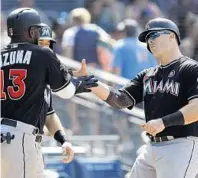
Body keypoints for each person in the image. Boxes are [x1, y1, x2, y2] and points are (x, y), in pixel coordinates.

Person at [82, 17, 198, 178]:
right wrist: (92, 84)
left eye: (154, 35)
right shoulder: (148, 75)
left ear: (172, 36)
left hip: (180, 145)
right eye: (147, 38)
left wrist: (163, 122)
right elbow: (120, 100)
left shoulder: (190, 69)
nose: (149, 41)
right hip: (151, 147)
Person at [0, 8, 98, 178]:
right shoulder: (42, 55)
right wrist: (80, 84)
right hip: (19, 139)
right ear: (32, 32)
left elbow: (49, 115)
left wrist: (63, 140)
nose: (45, 44)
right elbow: (67, 92)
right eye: (41, 37)